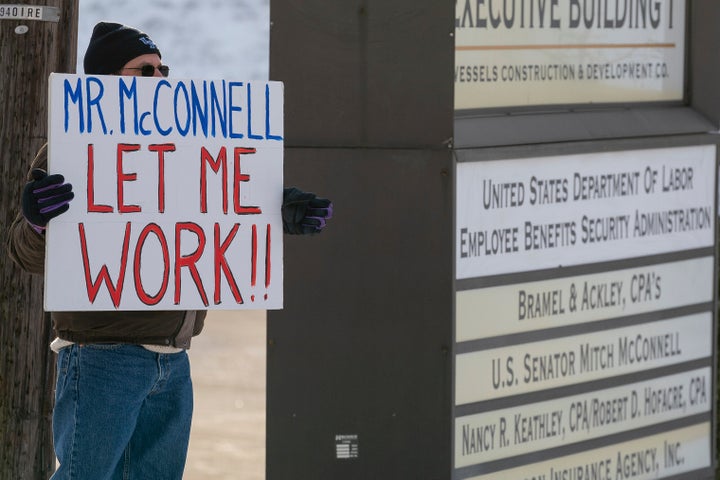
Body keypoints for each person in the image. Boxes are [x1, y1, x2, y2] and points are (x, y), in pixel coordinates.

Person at [6, 22, 333, 480]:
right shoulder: (71, 146)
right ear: (104, 80)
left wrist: (272, 210)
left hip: (173, 357)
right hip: (104, 358)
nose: (159, 79)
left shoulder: (190, 144)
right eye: (145, 70)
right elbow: (23, 253)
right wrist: (39, 222)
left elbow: (215, 206)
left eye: (163, 69)